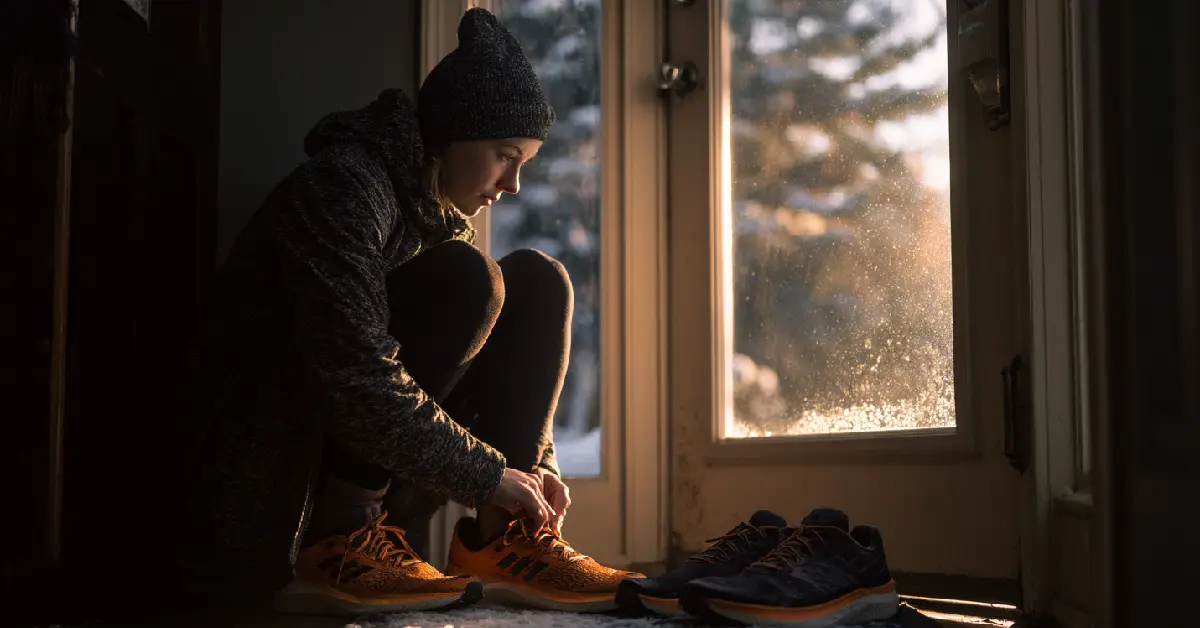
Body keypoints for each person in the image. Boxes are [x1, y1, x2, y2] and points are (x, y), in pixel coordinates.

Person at [177, 7, 642, 616]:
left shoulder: (427, 207)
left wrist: (526, 477)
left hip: (360, 456)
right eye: (506, 156)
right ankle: (341, 539)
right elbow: (357, 380)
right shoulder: (344, 189)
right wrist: (487, 474)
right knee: (468, 276)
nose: (513, 186)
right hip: (269, 478)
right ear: (454, 132)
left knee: (536, 277)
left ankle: (503, 537)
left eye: (524, 163)